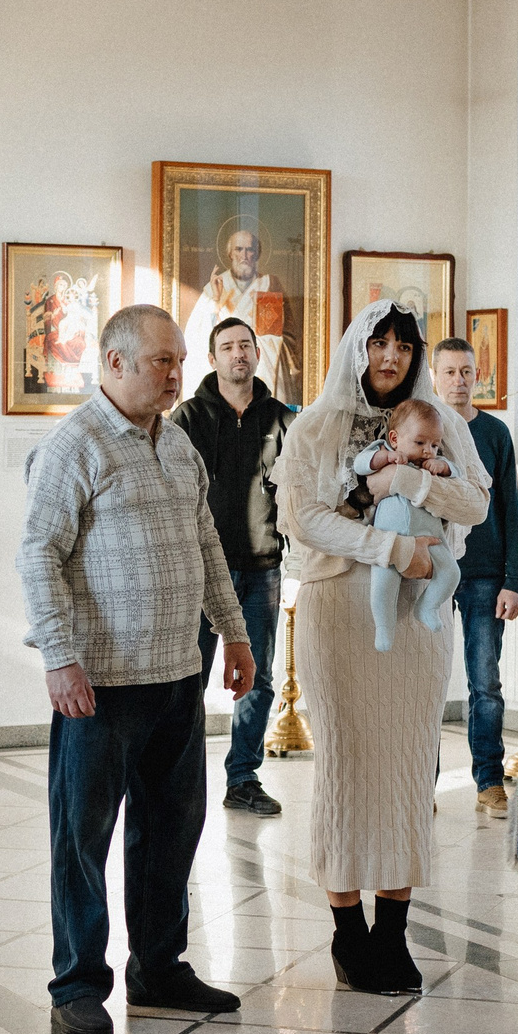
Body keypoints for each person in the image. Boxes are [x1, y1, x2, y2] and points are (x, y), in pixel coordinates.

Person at [19, 304, 257, 1034]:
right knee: (83, 837)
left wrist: (236, 634)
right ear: (114, 363)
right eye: (163, 360)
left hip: (177, 672)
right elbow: (37, 554)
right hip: (101, 683)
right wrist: (59, 656)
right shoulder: (75, 443)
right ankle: (77, 983)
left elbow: (207, 542)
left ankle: (159, 968)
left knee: (172, 828)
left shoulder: (179, 443)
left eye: (179, 360)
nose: (177, 373)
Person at [279, 303, 490, 994]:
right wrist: (387, 545)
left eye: (404, 343)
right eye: (380, 341)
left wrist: (415, 481)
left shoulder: (443, 420)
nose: (392, 355)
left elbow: (477, 505)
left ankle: (394, 930)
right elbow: (304, 517)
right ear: (359, 346)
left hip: (417, 618)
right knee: (346, 760)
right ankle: (347, 934)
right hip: (341, 608)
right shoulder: (317, 425)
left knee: (406, 765)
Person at [170, 314, 296, 816]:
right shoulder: (186, 419)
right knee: (189, 678)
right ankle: (180, 778)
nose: (239, 353)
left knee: (257, 677)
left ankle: (243, 778)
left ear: (256, 354)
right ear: (213, 357)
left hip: (262, 567)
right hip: (199, 571)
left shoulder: (283, 419)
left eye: (246, 345)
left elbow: (299, 492)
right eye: (228, 347)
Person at [432, 337, 518, 816]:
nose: (459, 382)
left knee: (485, 683)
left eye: (467, 372)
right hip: (430, 570)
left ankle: (489, 780)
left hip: (487, 576)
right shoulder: (422, 426)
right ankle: (420, 783)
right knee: (425, 679)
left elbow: (510, 509)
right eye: (450, 373)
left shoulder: (495, 433)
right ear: (435, 376)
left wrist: (516, 580)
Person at [355, 399, 461, 650]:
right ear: (394, 438)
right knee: (382, 586)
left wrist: (443, 466)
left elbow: (458, 473)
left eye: (434, 445)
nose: (428, 451)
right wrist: (385, 458)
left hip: (429, 538)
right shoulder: (385, 452)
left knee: (452, 573)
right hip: (389, 540)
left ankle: (428, 606)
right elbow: (360, 463)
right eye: (420, 442)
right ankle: (384, 628)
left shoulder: (432, 465)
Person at [182, 226, 294, 399]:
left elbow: (286, 337)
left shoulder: (269, 284)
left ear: (256, 254)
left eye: (249, 250)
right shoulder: (215, 286)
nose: (244, 255)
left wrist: (257, 347)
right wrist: (215, 303)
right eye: (239, 249)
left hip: (259, 368)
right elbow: (197, 337)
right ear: (230, 254)